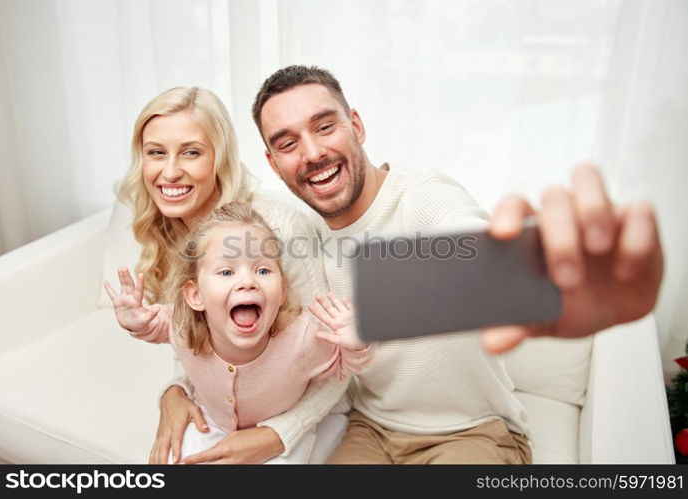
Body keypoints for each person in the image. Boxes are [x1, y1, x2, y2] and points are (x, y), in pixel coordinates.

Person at [160, 65, 663, 464]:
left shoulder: (424, 197)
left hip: (472, 435)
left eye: (325, 126)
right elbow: (249, 324)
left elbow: (475, 251)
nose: (312, 153)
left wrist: (543, 271)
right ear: (273, 163)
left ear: (355, 125)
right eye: (288, 143)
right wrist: (177, 388)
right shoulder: (298, 236)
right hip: (370, 433)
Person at [116, 86, 350, 464]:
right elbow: (198, 341)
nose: (170, 171)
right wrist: (175, 392)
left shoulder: (280, 230)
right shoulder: (167, 229)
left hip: (304, 411)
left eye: (191, 152)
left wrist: (278, 435)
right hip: (227, 409)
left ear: (219, 158)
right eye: (156, 152)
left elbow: (331, 361)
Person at [104, 202, 372, 463]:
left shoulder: (303, 338)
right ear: (195, 295)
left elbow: (342, 369)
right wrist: (135, 321)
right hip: (210, 422)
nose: (247, 281)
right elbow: (154, 325)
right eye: (226, 271)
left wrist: (356, 343)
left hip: (278, 433)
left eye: (263, 270)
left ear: (282, 293)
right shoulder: (181, 323)